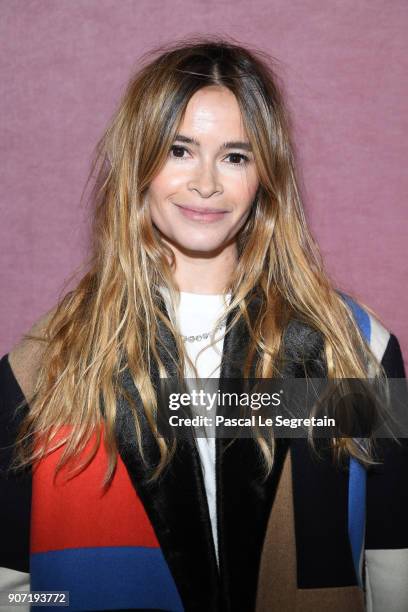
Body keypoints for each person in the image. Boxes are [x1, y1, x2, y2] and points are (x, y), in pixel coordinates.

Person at [0, 38, 407, 612]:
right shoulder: (44, 367)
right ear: (138, 161)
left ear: (266, 175)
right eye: (179, 150)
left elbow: (392, 561)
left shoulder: (357, 347)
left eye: (235, 156)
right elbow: (14, 588)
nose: (207, 183)